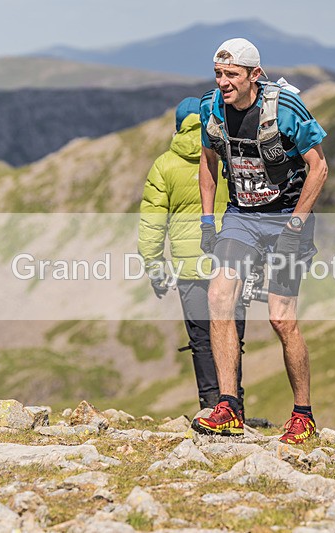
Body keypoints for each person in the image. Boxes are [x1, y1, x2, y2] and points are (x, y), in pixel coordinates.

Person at [191, 39, 328, 443]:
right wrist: (206, 221)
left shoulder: (285, 108)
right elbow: (208, 162)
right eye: (218, 74)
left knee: (281, 318)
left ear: (255, 75)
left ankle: (303, 414)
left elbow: (319, 168)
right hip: (241, 218)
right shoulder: (210, 107)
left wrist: (295, 228)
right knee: (219, 298)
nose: (223, 82)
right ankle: (228, 406)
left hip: (287, 218)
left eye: (231, 75)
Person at [137, 97, 246, 412]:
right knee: (232, 338)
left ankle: (212, 407)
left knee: (202, 341)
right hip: (232, 259)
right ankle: (235, 409)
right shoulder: (227, 154)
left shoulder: (164, 165)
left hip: (189, 269)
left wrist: (157, 271)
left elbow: (152, 227)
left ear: (178, 127)